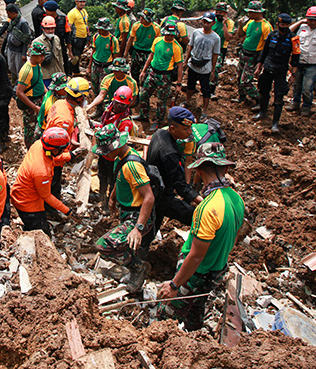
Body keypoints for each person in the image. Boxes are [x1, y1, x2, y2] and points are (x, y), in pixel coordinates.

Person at [159, 142, 244, 331]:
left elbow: (196, 255)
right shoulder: (237, 199)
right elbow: (235, 237)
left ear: (198, 171)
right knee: (196, 310)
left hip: (196, 274)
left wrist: (174, 285)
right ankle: (196, 339)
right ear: (226, 168)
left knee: (165, 317)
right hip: (216, 270)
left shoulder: (208, 207)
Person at [94, 124, 155, 292]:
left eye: (107, 150)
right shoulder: (121, 159)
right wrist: (113, 198)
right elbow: (120, 179)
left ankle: (138, 268)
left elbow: (149, 197)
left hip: (138, 215)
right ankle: (133, 269)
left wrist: (138, 228)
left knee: (104, 246)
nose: (105, 154)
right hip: (126, 211)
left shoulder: (132, 165)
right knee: (127, 247)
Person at [144, 107, 204, 254]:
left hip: (153, 188)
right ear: (173, 128)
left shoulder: (159, 134)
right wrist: (203, 203)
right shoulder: (169, 153)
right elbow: (181, 186)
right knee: (196, 217)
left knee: (152, 226)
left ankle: (142, 253)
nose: (190, 132)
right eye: (185, 129)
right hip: (163, 196)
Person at [10, 127, 74, 236]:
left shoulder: (39, 145)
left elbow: (51, 157)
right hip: (28, 205)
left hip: (21, 193)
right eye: (61, 150)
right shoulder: (41, 172)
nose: (62, 151)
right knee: (42, 234)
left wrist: (69, 156)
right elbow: (46, 196)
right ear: (54, 149)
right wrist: (67, 211)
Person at [45, 77, 91, 204]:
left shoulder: (59, 103)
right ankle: (51, 208)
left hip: (53, 148)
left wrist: (70, 142)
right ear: (80, 98)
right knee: (52, 186)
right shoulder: (64, 120)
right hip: (53, 160)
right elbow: (54, 154)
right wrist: (71, 155)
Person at [253, 14, 299, 132]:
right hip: (268, 67)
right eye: (282, 24)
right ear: (278, 25)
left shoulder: (294, 39)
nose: (284, 27)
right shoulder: (272, 35)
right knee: (263, 91)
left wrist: (293, 75)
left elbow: (295, 58)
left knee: (279, 96)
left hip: (281, 70)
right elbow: (264, 52)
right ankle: (262, 112)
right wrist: (259, 67)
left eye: (287, 25)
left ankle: (275, 123)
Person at [95, 86, 138, 210]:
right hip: (103, 153)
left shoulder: (125, 122)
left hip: (112, 156)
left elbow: (120, 142)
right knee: (101, 175)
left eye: (122, 106)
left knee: (112, 180)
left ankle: (109, 202)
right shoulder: (108, 111)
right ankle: (101, 196)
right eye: (117, 104)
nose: (119, 107)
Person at [287, 7, 316, 116]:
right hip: (299, 61)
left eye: (315, 20)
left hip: (314, 63)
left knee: (307, 87)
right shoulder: (301, 27)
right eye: (310, 19)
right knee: (297, 84)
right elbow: (288, 31)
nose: (312, 22)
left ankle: (306, 107)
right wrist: (301, 21)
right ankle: (295, 103)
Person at [138, 23, 183, 128]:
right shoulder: (157, 40)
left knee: (161, 100)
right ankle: (143, 115)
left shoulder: (176, 47)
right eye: (168, 34)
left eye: (172, 35)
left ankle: (158, 121)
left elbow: (180, 66)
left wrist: (179, 84)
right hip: (153, 72)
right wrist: (144, 71)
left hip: (165, 76)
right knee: (143, 94)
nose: (169, 36)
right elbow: (151, 56)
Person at [233, 1, 272, 104]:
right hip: (244, 53)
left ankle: (259, 99)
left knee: (245, 81)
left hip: (253, 56)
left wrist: (261, 63)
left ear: (258, 12)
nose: (249, 14)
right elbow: (240, 35)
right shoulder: (250, 22)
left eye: (251, 12)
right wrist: (240, 25)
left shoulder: (266, 26)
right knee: (238, 77)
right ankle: (242, 97)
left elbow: (267, 46)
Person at [183, 12, 220, 120]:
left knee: (205, 89)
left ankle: (204, 110)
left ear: (213, 23)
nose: (206, 24)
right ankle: (188, 101)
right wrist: (186, 61)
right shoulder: (196, 32)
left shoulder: (215, 38)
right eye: (204, 21)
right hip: (193, 63)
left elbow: (215, 54)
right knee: (190, 84)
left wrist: (213, 70)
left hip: (205, 67)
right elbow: (190, 47)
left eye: (208, 22)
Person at [16, 42, 47, 148]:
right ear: (33, 55)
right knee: (31, 130)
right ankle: (31, 150)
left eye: (43, 55)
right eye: (40, 56)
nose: (43, 58)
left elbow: (39, 81)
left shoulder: (38, 65)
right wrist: (34, 107)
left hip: (40, 99)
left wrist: (47, 93)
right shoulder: (26, 70)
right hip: (31, 102)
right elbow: (19, 92)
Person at [124, 8, 161, 83]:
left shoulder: (156, 28)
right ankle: (135, 87)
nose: (141, 19)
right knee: (134, 71)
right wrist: (126, 53)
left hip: (148, 52)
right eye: (141, 17)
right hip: (137, 50)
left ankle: (143, 86)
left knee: (146, 72)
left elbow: (158, 43)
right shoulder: (136, 25)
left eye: (143, 18)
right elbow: (130, 39)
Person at [88, 18, 119, 95]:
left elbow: (115, 56)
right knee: (94, 86)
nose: (98, 30)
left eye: (100, 29)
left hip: (105, 67)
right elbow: (93, 52)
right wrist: (89, 66)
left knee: (103, 88)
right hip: (95, 64)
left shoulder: (113, 40)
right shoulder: (95, 37)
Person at [211, 2, 234, 99]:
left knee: (215, 67)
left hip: (221, 48)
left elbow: (228, 37)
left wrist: (224, 25)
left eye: (222, 12)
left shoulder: (230, 23)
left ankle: (212, 89)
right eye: (218, 12)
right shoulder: (212, 20)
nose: (219, 14)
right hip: (210, 46)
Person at [33, 16, 65, 87]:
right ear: (43, 29)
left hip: (57, 74)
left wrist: (62, 71)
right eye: (47, 29)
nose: (50, 31)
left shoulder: (56, 39)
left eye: (52, 28)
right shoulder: (37, 42)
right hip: (45, 76)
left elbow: (60, 57)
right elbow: (33, 62)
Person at [43, 0, 72, 75]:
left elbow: (67, 36)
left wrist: (70, 51)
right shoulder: (45, 20)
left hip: (61, 47)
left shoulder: (63, 20)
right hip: (48, 47)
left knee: (64, 63)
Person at [35, 72, 68, 138]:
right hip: (44, 130)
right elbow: (53, 125)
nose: (65, 90)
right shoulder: (51, 105)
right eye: (63, 88)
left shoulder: (50, 93)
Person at [4, 4, 32, 78]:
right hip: (11, 50)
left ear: (13, 13)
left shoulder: (22, 23)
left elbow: (26, 39)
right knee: (12, 68)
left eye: (9, 14)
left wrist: (23, 53)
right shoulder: (12, 22)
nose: (8, 16)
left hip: (18, 52)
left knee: (19, 71)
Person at [67, 0, 89, 74]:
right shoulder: (72, 13)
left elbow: (86, 24)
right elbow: (68, 27)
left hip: (83, 37)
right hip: (76, 38)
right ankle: (68, 72)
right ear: (76, 2)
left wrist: (88, 34)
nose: (82, 3)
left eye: (83, 2)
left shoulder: (84, 12)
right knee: (75, 58)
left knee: (79, 56)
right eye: (80, 2)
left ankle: (76, 71)